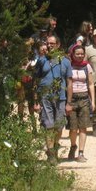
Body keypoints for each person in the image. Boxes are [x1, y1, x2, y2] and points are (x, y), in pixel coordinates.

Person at [34, 34, 72, 163]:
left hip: (61, 97)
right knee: (48, 125)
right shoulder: (41, 60)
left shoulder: (65, 61)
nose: (49, 46)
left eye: (52, 43)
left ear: (58, 45)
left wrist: (69, 102)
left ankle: (55, 147)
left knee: (59, 126)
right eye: (48, 43)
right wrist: (35, 100)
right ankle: (51, 154)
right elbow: (36, 80)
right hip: (45, 97)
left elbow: (69, 82)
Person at [66, 45, 95, 162]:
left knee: (83, 127)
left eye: (82, 54)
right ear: (72, 54)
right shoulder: (69, 66)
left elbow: (91, 84)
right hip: (72, 99)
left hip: (84, 98)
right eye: (77, 54)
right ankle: (73, 146)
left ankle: (81, 153)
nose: (80, 56)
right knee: (73, 128)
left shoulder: (87, 66)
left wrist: (93, 101)